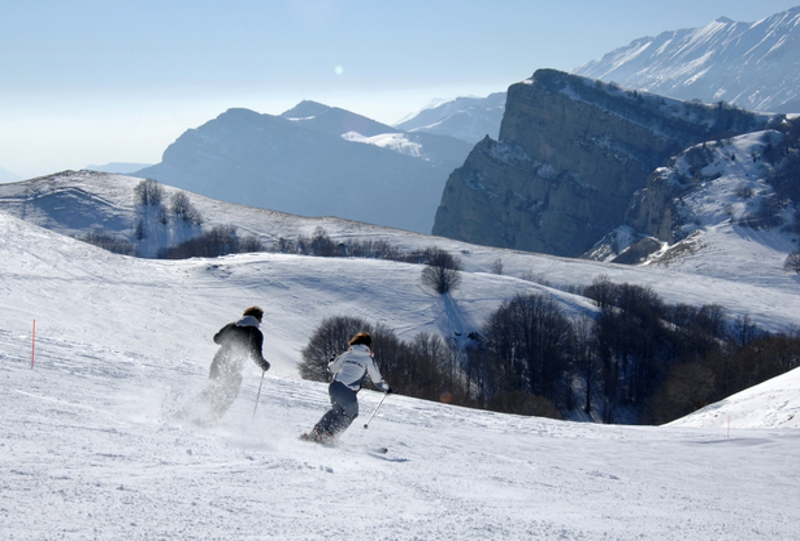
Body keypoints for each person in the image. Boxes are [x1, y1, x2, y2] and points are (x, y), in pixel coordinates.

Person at [302, 332, 391, 444]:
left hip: (334, 386)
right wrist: (386, 389)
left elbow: (333, 369)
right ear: (368, 345)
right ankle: (329, 436)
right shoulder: (368, 359)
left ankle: (316, 433)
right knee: (351, 413)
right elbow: (377, 380)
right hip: (347, 390)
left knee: (336, 411)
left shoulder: (346, 354)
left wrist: (331, 362)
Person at [200, 306, 270, 422]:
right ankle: (210, 419)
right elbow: (256, 355)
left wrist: (230, 337)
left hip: (218, 362)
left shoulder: (232, 326)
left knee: (212, 390)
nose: (261, 321)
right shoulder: (255, 332)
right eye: (260, 318)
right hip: (233, 367)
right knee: (229, 394)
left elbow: (217, 339)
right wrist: (264, 365)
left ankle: (186, 412)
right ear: (257, 318)